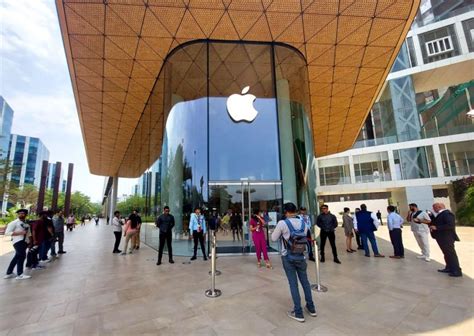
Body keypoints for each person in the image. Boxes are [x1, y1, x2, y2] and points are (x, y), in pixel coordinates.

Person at [271, 202, 317, 323]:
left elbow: (273, 238)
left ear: (285, 211)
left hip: (288, 257)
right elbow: (307, 236)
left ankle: (298, 312)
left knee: (293, 284)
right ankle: (311, 308)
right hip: (301, 257)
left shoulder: (283, 223)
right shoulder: (303, 222)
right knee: (305, 283)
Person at [428, 203, 462, 277]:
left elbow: (450, 225)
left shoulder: (447, 214)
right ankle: (449, 267)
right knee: (446, 254)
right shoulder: (441, 214)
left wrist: (437, 228)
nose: (433, 209)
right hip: (442, 237)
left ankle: (456, 270)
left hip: (447, 237)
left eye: (434, 208)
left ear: (439, 207)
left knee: (450, 254)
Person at [4, 209, 31, 280]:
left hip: (25, 242)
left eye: (23, 213)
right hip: (17, 241)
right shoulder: (14, 223)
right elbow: (7, 233)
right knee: (22, 256)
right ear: (17, 214)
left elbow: (29, 233)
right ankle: (20, 274)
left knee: (17, 257)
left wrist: (29, 241)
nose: (21, 215)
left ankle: (9, 273)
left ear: (26, 215)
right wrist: (20, 233)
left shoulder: (26, 223)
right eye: (20, 213)